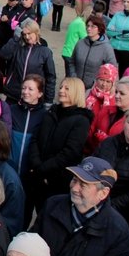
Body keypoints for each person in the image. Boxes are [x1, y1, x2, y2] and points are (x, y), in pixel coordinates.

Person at [25, 77, 93, 225]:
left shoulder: (81, 120)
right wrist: (36, 164)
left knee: (49, 221)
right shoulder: (51, 112)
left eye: (66, 88)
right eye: (61, 87)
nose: (61, 90)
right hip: (37, 175)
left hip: (56, 181)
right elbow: (36, 138)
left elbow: (70, 153)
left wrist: (43, 169)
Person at [0, 18, 57, 104]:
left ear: (36, 32)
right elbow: (4, 54)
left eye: (29, 34)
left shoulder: (45, 52)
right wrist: (15, 39)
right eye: (24, 34)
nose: (26, 37)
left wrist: (49, 100)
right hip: (14, 94)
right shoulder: (18, 47)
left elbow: (51, 77)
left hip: (33, 96)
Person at [9, 74, 48, 175]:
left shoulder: (45, 115)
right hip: (9, 165)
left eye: (30, 89)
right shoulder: (11, 109)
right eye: (23, 88)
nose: (25, 92)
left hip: (30, 170)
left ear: (39, 94)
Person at [68, 16, 117, 88]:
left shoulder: (106, 48)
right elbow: (72, 62)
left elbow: (113, 69)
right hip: (76, 86)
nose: (88, 29)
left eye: (93, 26)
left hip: (94, 89)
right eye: (87, 26)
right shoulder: (80, 43)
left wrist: (98, 83)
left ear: (99, 29)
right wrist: (73, 75)